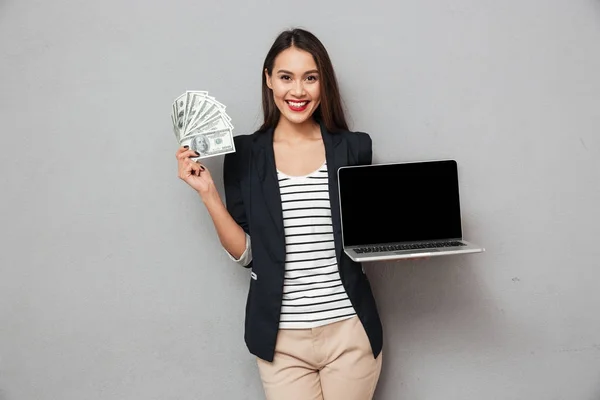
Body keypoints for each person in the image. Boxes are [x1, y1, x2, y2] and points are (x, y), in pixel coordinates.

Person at [176, 28, 383, 400]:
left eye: (311, 78)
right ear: (268, 79)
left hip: (349, 333)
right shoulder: (243, 155)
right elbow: (247, 254)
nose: (298, 91)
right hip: (280, 340)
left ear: (324, 83)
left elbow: (367, 239)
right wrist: (208, 193)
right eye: (286, 77)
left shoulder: (354, 148)